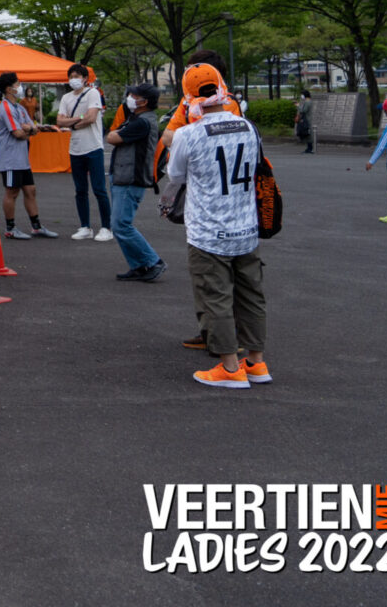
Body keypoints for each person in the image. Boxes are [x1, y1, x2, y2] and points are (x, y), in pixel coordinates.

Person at [163, 67, 270, 389]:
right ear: (223, 89)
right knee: (251, 297)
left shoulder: (188, 134)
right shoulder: (248, 127)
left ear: (188, 96)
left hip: (208, 231)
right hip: (246, 227)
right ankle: (256, 362)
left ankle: (230, 367)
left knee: (216, 298)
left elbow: (175, 176)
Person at [105, 85, 166, 282]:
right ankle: (138, 266)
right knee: (119, 225)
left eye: (134, 96)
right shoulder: (137, 119)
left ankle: (153, 261)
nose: (129, 98)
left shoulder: (142, 122)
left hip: (131, 179)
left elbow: (112, 137)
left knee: (121, 225)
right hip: (124, 176)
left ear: (144, 102)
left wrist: (118, 132)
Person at [0, 73, 57, 239]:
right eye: (17, 84)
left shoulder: (19, 108)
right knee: (12, 192)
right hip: (10, 158)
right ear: (9, 89)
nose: (20, 87)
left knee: (30, 190)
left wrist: (28, 128)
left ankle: (36, 226)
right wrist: (28, 129)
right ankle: (10, 228)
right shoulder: (5, 108)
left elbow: (33, 128)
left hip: (22, 158)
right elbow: (18, 133)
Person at [57, 64, 112, 242]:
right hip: (75, 149)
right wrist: (79, 119)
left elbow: (91, 117)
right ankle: (85, 227)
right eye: (71, 76)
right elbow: (60, 121)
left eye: (77, 76)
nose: (74, 79)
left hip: (93, 147)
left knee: (99, 189)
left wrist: (72, 122)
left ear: (85, 78)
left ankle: (106, 227)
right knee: (80, 190)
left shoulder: (92, 93)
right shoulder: (66, 97)